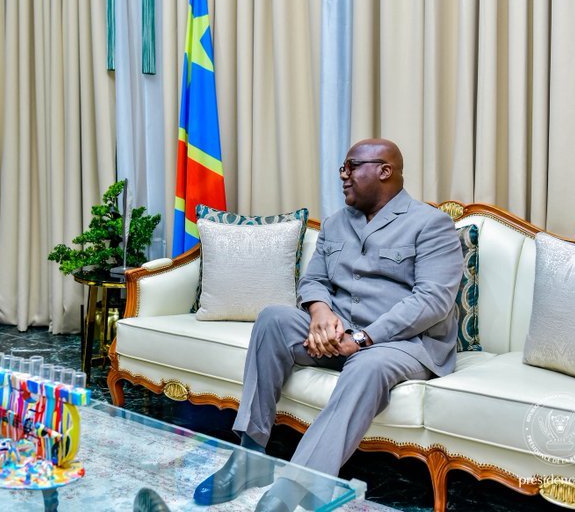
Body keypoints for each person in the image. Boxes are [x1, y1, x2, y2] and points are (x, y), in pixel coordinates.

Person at [194, 139, 463, 511]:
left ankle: (295, 486)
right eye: (342, 168)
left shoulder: (431, 224)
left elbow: (432, 300)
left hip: (404, 344)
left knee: (368, 364)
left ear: (384, 171)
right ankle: (250, 455)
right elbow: (314, 280)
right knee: (273, 318)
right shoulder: (337, 222)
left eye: (351, 166)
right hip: (340, 334)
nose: (343, 175)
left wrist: (363, 337)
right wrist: (320, 314)